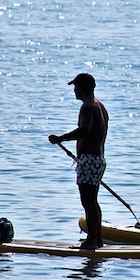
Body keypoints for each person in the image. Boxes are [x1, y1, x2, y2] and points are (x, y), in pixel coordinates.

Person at [49, 73, 109, 249]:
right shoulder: (100, 106)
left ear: (83, 87)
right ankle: (97, 240)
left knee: (88, 202)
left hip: (89, 161)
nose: (75, 90)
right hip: (98, 160)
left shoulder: (88, 107)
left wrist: (60, 138)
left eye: (76, 87)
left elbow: (84, 131)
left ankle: (92, 241)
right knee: (92, 202)